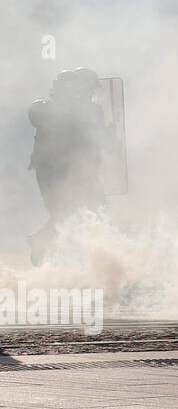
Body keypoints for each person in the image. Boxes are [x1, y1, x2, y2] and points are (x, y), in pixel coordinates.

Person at [28, 68, 106, 263]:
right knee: (64, 212)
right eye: (88, 88)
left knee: (94, 208)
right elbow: (37, 114)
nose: (91, 93)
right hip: (53, 171)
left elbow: (96, 138)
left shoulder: (90, 110)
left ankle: (94, 257)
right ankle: (44, 243)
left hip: (80, 170)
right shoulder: (49, 109)